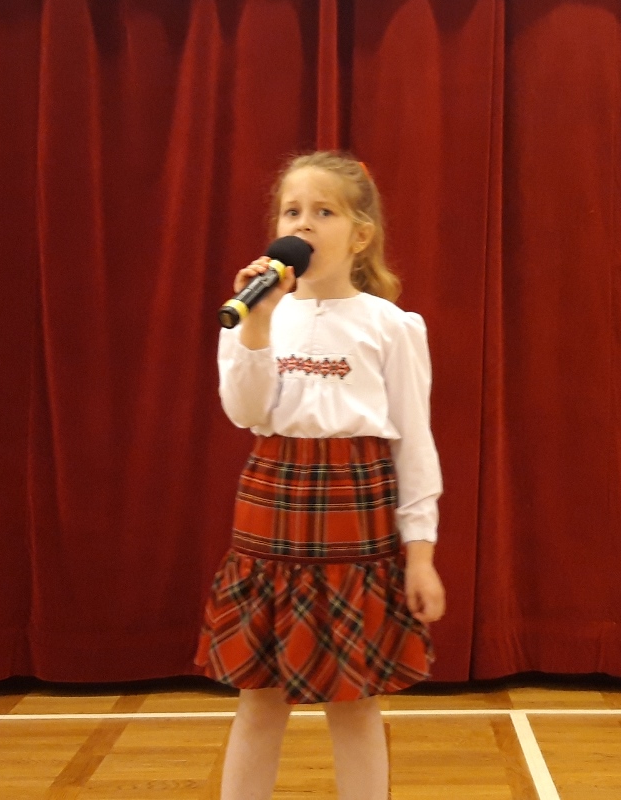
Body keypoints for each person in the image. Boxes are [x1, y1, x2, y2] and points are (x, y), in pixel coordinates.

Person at [197, 151, 445, 800]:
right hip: (272, 500)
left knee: (355, 701)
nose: (303, 224)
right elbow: (247, 412)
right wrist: (256, 328)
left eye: (323, 211)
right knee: (259, 698)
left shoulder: (390, 326)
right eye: (291, 211)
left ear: (360, 235)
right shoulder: (253, 312)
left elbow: (415, 444)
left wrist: (420, 555)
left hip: (355, 512)